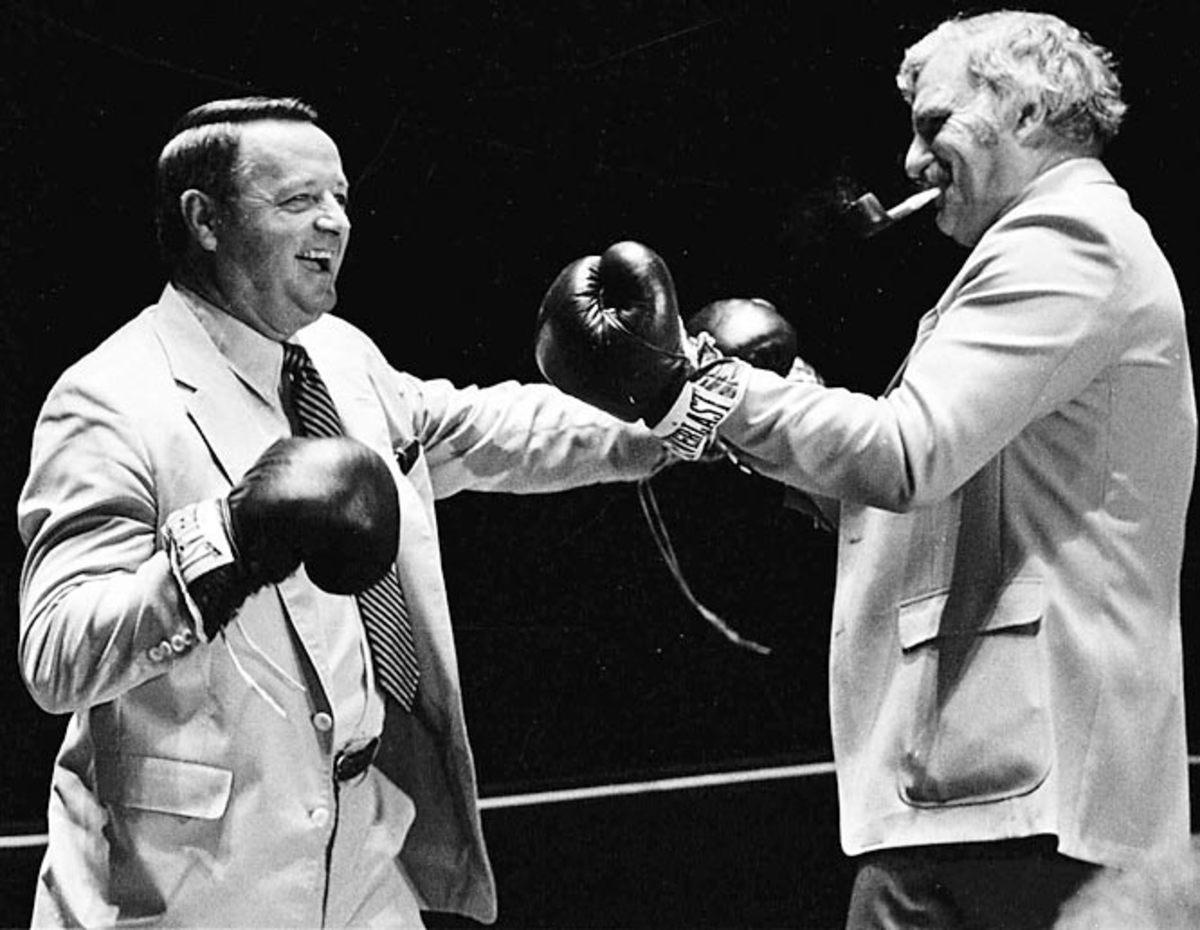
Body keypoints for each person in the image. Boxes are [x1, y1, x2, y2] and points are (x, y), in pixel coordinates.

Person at [535, 10, 1195, 929]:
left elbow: (900, 455)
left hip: (1015, 794)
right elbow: (903, 496)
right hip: (992, 787)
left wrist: (695, 383)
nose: (914, 163)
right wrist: (722, 402)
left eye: (935, 126)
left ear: (1032, 112)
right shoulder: (1048, 251)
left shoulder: (1064, 244)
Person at [16, 96, 668, 928]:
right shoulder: (110, 397)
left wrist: (670, 408)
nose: (333, 222)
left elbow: (487, 428)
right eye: (297, 201)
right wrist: (229, 543)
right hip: (187, 878)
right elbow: (55, 654)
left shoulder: (341, 357)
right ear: (204, 220)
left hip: (362, 845)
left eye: (341, 199)